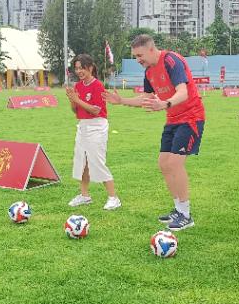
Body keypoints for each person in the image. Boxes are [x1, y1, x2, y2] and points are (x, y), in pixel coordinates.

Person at [103, 34, 205, 231]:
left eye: (139, 55)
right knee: (164, 164)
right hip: (172, 119)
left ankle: (186, 214)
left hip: (191, 117)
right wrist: (122, 100)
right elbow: (146, 99)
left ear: (151, 49)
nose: (138, 60)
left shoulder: (170, 60)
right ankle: (177, 209)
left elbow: (183, 92)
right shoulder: (149, 71)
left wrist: (164, 104)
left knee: (175, 163)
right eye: (135, 56)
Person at [66, 54, 121, 210]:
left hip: (97, 126)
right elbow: (75, 110)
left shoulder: (97, 85)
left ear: (89, 68)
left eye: (81, 68)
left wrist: (77, 100)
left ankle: (113, 197)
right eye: (76, 68)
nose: (79, 71)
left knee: (96, 161)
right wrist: (72, 99)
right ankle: (84, 195)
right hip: (83, 126)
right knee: (81, 161)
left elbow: (96, 110)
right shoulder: (78, 86)